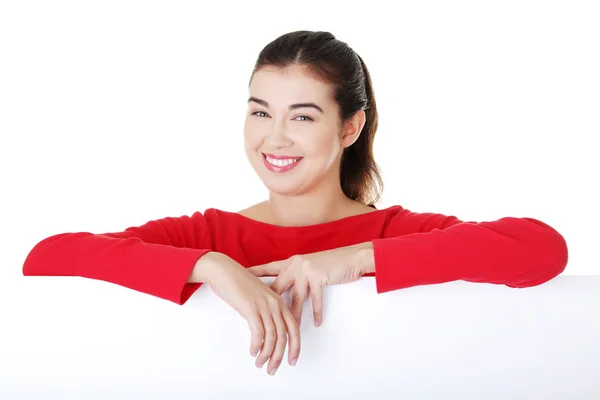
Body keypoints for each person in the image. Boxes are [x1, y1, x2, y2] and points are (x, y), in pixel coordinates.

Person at [22, 30, 569, 376]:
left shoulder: (395, 233)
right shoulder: (209, 234)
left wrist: (352, 259)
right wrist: (210, 265)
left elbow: (542, 250)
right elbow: (45, 259)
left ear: (351, 127)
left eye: (302, 117)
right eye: (261, 112)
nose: (274, 139)